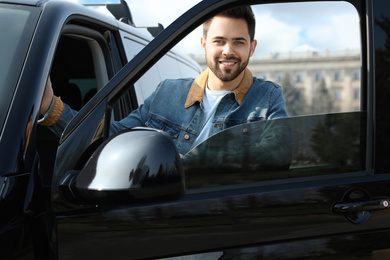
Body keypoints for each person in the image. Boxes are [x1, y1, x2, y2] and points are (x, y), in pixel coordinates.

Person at [39, 6, 289, 156]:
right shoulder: (166, 93)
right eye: (219, 41)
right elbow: (110, 137)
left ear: (252, 48)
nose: (228, 51)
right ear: (204, 44)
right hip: (166, 223)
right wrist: (51, 109)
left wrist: (187, 160)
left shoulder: (268, 98)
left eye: (239, 42)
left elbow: (278, 155)